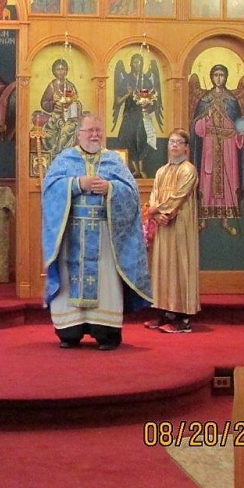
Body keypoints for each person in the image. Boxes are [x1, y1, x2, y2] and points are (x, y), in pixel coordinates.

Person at [41, 114, 152, 349]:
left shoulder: (113, 160)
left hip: (104, 235)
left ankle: (106, 333)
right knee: (69, 283)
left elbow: (132, 194)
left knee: (106, 283)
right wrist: (76, 184)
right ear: (78, 134)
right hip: (72, 235)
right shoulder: (64, 159)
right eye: (90, 130)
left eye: (98, 131)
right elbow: (49, 191)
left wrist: (111, 188)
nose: (94, 135)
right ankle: (70, 332)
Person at [144, 129, 200, 334]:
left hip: (180, 225)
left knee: (180, 265)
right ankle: (166, 312)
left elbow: (179, 197)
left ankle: (183, 318)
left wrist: (159, 211)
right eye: (171, 142)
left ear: (186, 147)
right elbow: (154, 194)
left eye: (179, 142)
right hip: (163, 225)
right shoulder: (161, 171)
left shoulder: (188, 170)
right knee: (163, 267)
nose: (174, 145)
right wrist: (156, 214)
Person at [190, 64, 244, 235]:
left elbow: (239, 125)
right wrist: (205, 117)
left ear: (226, 77)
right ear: (211, 77)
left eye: (222, 75)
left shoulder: (232, 100)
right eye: (215, 75)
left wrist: (240, 133)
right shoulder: (205, 100)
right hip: (209, 145)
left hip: (228, 146)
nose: (218, 78)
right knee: (207, 180)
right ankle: (203, 220)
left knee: (228, 180)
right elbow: (196, 127)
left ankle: (226, 220)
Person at [112, 52, 164, 178]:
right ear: (131, 64)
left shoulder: (145, 79)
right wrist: (128, 94)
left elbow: (154, 97)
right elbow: (118, 101)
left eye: (139, 62)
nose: (137, 65)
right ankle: (134, 169)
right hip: (129, 114)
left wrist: (148, 104)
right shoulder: (127, 80)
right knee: (128, 139)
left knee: (143, 140)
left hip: (142, 115)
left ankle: (142, 168)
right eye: (135, 62)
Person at [39, 58, 80, 155]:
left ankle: (60, 154)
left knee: (66, 130)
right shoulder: (52, 86)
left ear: (66, 71)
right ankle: (57, 155)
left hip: (69, 118)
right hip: (55, 118)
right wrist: (53, 102)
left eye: (62, 69)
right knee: (53, 132)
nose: (60, 72)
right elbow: (44, 103)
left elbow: (75, 102)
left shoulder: (70, 86)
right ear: (54, 71)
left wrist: (71, 104)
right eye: (58, 69)